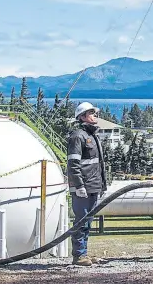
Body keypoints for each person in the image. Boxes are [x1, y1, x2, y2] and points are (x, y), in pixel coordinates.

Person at [67, 102, 107, 266]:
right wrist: (79, 186)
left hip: (93, 185)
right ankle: (79, 255)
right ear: (82, 116)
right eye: (91, 113)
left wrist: (102, 185)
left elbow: (98, 164)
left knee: (88, 221)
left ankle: (84, 254)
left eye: (94, 113)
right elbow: (73, 164)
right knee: (81, 221)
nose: (95, 115)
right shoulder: (78, 136)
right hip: (83, 187)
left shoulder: (92, 136)